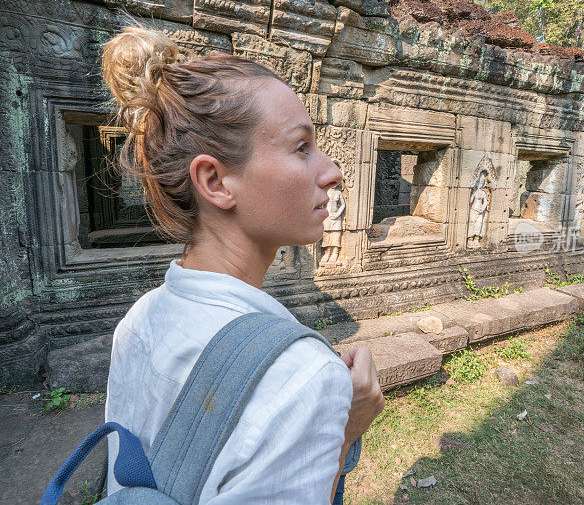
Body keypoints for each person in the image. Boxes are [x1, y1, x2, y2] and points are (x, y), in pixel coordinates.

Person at [101, 25, 384, 504]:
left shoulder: (139, 320)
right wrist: (345, 427)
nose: (333, 171)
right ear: (215, 182)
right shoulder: (303, 378)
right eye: (302, 147)